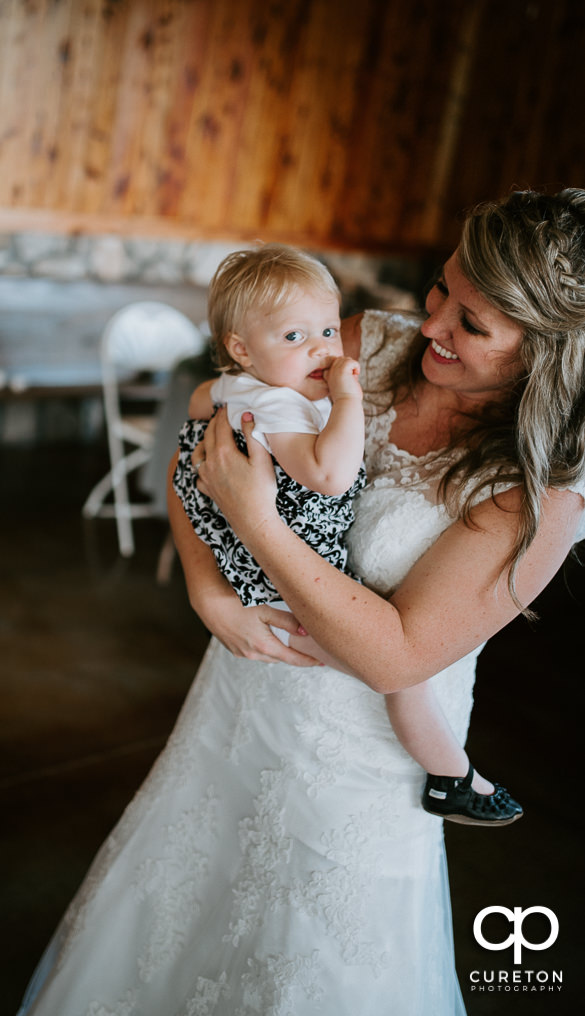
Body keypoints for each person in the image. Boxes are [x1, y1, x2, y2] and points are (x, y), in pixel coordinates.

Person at [17, 189, 585, 1016]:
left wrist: (255, 518)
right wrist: (210, 598)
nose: (430, 327)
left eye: (471, 325)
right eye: (439, 291)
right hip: (241, 699)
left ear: (547, 352)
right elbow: (200, 450)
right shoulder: (354, 349)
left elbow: (395, 655)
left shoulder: (540, 497)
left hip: (357, 769)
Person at [172, 243, 522, 826]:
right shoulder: (286, 405)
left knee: (392, 666)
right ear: (241, 347)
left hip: (277, 594)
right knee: (399, 683)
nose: (322, 349)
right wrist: (345, 398)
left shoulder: (247, 385)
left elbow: (197, 407)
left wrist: (234, 395)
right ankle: (451, 776)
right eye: (294, 337)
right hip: (293, 577)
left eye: (328, 330)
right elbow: (329, 478)